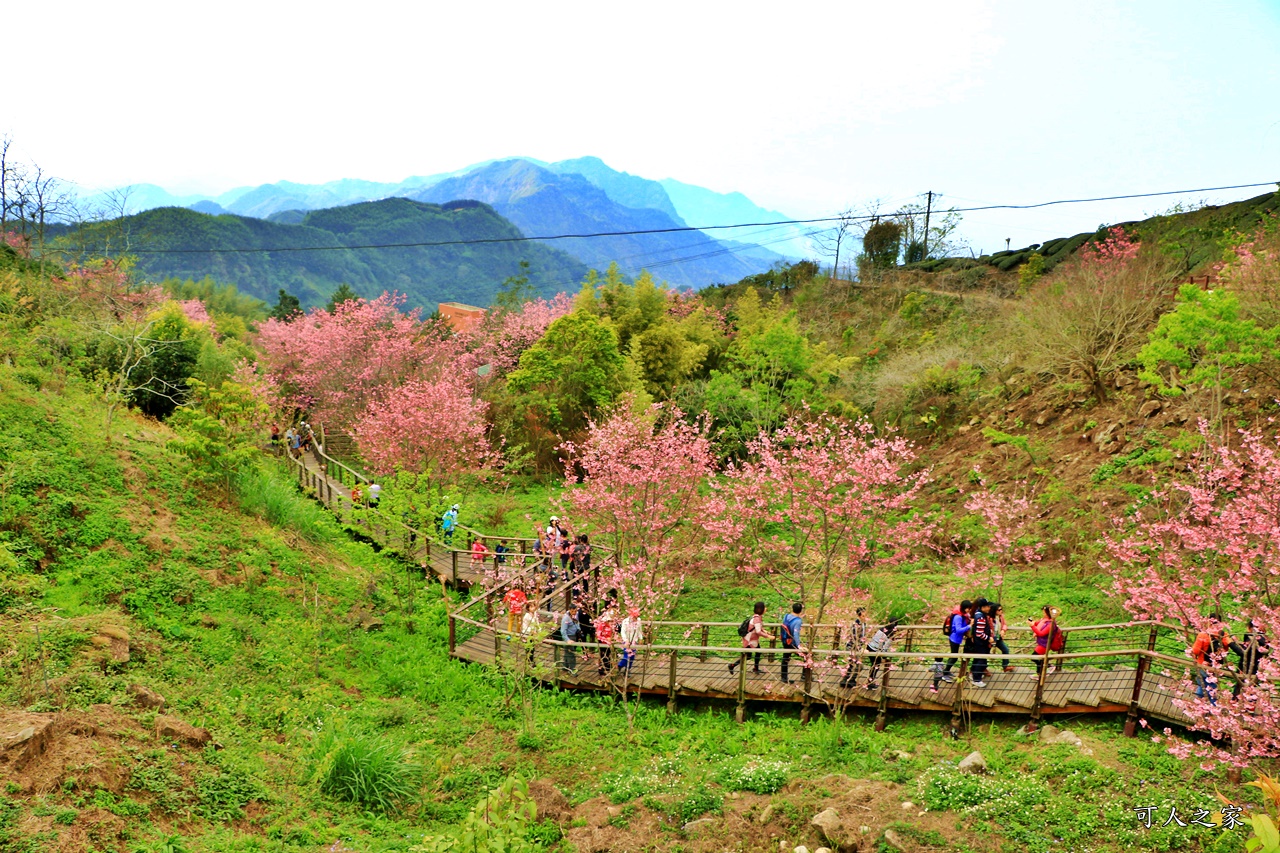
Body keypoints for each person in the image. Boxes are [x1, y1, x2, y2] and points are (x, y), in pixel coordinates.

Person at [934, 600, 973, 690]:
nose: (969, 610)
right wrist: (969, 626)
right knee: (954, 657)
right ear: (965, 608)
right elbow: (958, 630)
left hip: (957, 639)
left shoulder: (963, 615)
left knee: (953, 656)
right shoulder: (958, 617)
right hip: (954, 638)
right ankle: (945, 672)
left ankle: (946, 671)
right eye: (968, 608)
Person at [729, 601, 776, 676]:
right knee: (750, 655)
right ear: (761, 609)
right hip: (750, 640)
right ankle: (733, 665)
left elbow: (757, 627)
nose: (766, 608)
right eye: (764, 607)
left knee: (754, 653)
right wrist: (768, 637)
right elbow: (758, 631)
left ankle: (754, 668)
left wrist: (765, 631)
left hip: (751, 639)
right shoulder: (757, 618)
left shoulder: (757, 617)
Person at [1231, 620, 1270, 698]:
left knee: (1240, 690)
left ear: (1250, 628)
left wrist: (1231, 643)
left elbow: (1243, 652)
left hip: (1246, 668)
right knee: (1252, 690)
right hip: (1257, 668)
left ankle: (1236, 702)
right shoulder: (1266, 640)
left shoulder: (1250, 636)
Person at [863, 619, 899, 690]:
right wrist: (885, 656)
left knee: (874, 665)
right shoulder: (890, 634)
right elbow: (885, 647)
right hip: (875, 650)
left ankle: (870, 681)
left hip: (869, 647)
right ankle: (870, 683)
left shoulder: (882, 628)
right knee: (876, 665)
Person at [1029, 606, 1063, 679]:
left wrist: (1032, 626)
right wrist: (1033, 623)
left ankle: (1043, 670)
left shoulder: (1050, 624)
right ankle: (1042, 671)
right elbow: (1038, 623)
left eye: (1044, 612)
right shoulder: (1045, 620)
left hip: (1045, 644)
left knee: (1035, 657)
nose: (1043, 613)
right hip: (1042, 642)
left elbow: (1041, 633)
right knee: (1037, 657)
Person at [967, 600, 992, 688]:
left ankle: (973, 674)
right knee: (981, 660)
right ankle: (976, 679)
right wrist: (989, 638)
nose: (989, 608)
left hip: (978, 642)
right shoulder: (981, 617)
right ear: (983, 607)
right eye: (987, 606)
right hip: (981, 643)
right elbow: (979, 633)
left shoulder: (977, 614)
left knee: (977, 658)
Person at [780, 602, 804, 684]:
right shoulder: (798, 621)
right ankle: (804, 676)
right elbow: (796, 634)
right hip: (791, 642)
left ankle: (784, 677)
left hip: (784, 640)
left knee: (785, 658)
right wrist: (799, 646)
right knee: (805, 656)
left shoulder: (786, 616)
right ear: (801, 611)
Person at [595, 602, 618, 675]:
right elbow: (598, 635)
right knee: (603, 656)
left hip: (610, 643)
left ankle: (608, 669)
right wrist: (605, 639)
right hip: (603, 643)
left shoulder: (613, 624)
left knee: (608, 656)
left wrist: (614, 638)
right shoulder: (602, 624)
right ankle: (601, 671)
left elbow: (614, 632)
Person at [991, 603, 1015, 673]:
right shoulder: (990, 618)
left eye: (1001, 609)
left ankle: (1005, 666)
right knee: (984, 653)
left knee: (1005, 650)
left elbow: (1004, 624)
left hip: (998, 638)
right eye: (999, 610)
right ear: (995, 611)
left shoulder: (1001, 617)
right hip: (991, 638)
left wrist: (1003, 630)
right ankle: (979, 668)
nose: (1001, 611)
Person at [559, 608, 581, 673]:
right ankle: (572, 669)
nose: (574, 612)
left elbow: (577, 623)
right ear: (570, 610)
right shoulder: (566, 618)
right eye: (572, 611)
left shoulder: (575, 615)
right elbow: (563, 630)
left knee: (567, 652)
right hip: (568, 636)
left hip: (574, 635)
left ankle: (565, 667)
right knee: (571, 653)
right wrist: (567, 639)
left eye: (575, 611)